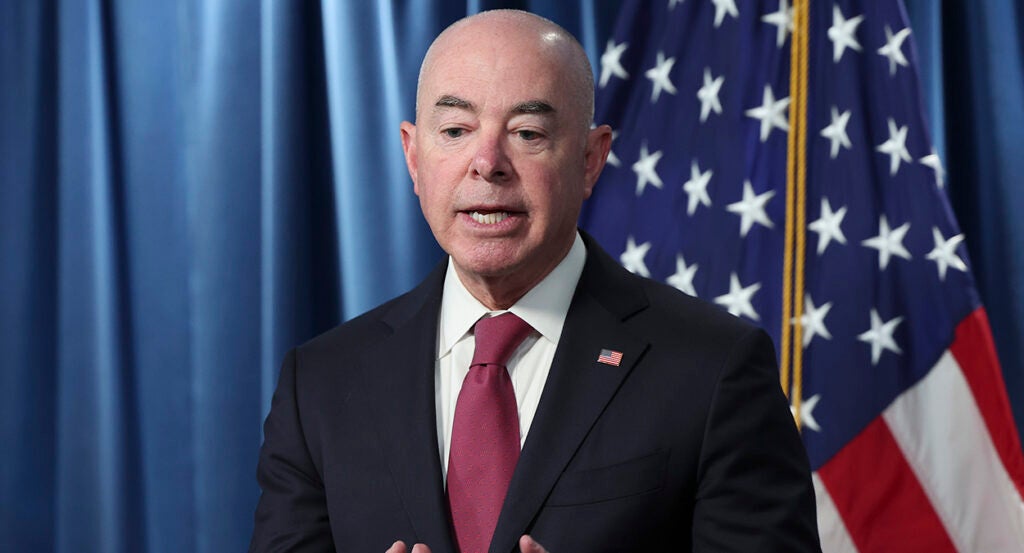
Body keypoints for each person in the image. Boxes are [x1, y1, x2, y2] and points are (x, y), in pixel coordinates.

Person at [250, 9, 820, 553]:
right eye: (454, 129)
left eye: (527, 133)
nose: (487, 162)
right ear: (414, 156)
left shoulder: (713, 368)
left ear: (591, 160)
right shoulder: (321, 384)